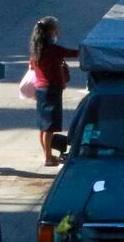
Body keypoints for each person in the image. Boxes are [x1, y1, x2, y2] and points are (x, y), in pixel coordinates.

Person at [28, 17, 77, 167]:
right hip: (52, 89)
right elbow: (73, 53)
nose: (58, 31)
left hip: (40, 89)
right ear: (50, 31)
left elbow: (31, 66)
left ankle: (47, 155)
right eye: (56, 29)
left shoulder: (37, 49)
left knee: (43, 126)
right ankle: (48, 158)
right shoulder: (53, 50)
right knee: (49, 127)